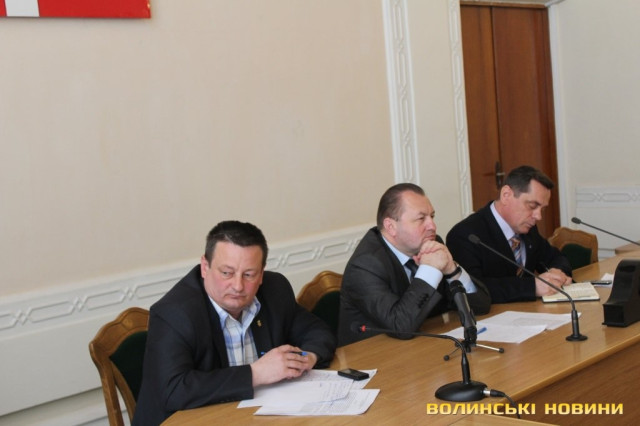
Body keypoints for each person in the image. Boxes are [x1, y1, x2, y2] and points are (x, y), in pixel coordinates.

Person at [133, 221, 337, 425]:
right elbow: (173, 390)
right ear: (205, 267)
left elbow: (317, 331)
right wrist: (256, 373)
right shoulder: (174, 313)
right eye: (227, 273)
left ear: (261, 274)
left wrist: (307, 358)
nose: (238, 286)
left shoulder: (275, 290)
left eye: (249, 275)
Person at [337, 183, 491, 347]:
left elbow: (481, 306)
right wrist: (429, 270)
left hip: (422, 345)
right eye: (421, 218)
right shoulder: (365, 266)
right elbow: (401, 326)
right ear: (391, 226)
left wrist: (452, 270)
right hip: (373, 354)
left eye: (432, 216)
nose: (432, 226)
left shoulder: (431, 246)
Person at [446, 165, 572, 304]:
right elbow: (473, 289)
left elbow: (557, 257)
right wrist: (532, 287)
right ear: (506, 195)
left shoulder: (528, 228)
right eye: (532, 206)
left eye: (542, 209)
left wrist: (556, 272)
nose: (538, 216)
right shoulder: (465, 235)